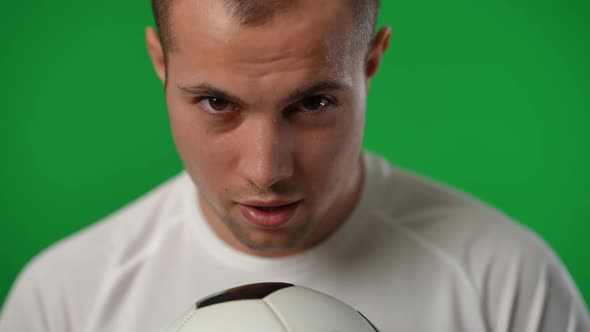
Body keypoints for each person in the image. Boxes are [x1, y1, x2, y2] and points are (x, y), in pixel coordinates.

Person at [1, 0, 588, 331]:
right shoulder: (63, 303)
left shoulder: (510, 287)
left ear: (372, 62)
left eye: (312, 103)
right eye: (216, 103)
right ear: (161, 63)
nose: (265, 170)